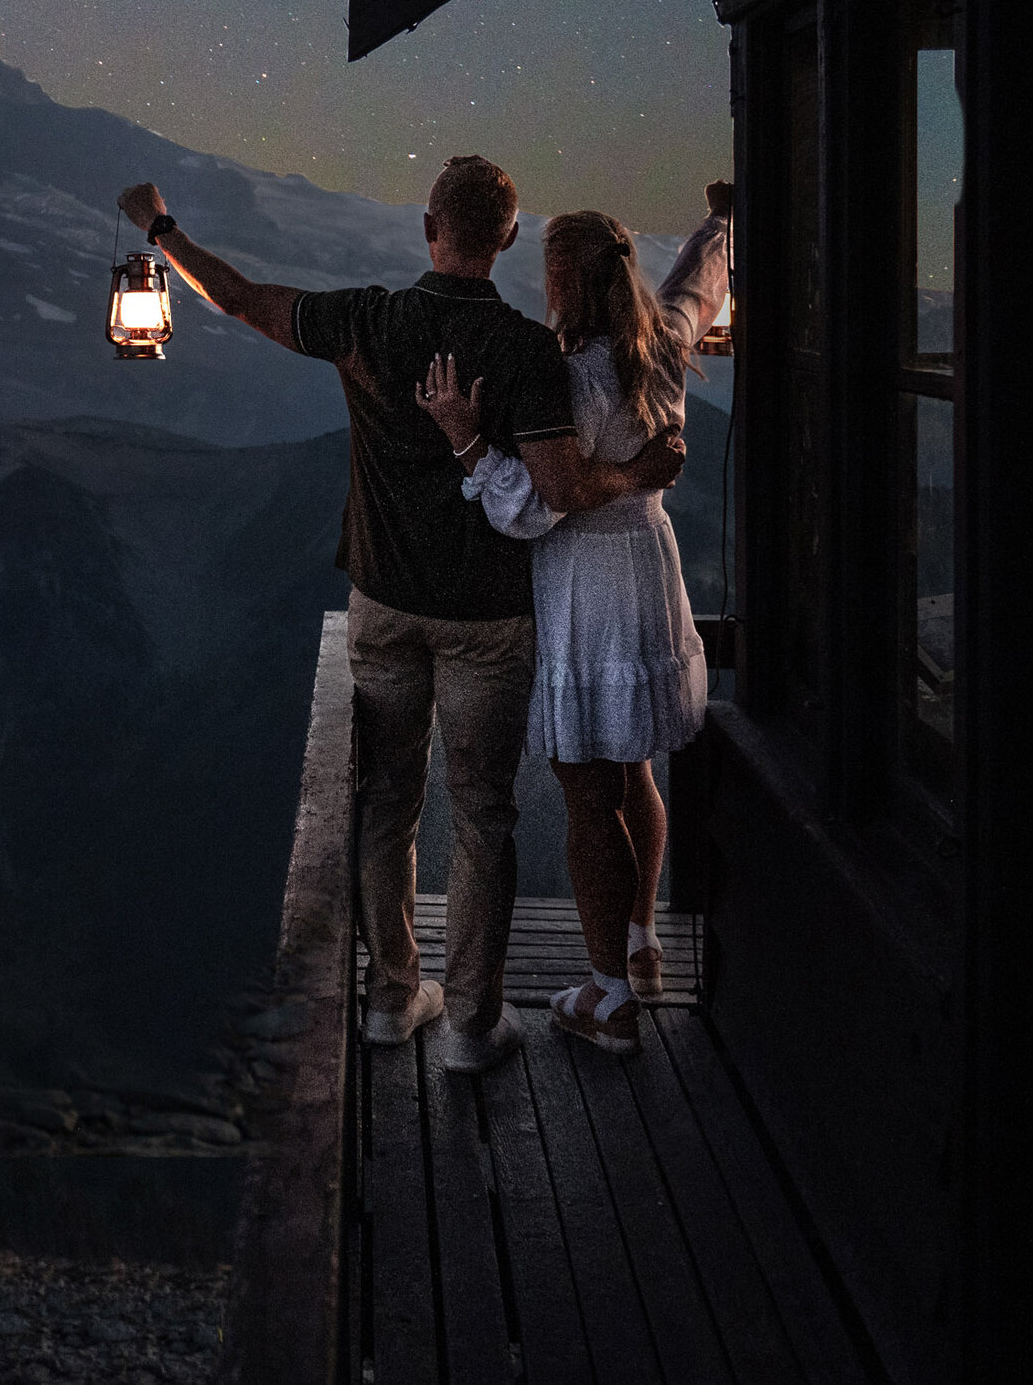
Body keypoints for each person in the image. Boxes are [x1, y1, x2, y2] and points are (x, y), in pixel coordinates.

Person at [115, 159, 684, 1071]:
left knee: (388, 805)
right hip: (488, 621)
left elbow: (245, 302)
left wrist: (162, 232)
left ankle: (391, 1000)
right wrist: (639, 472)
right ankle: (469, 1024)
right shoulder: (525, 352)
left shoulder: (368, 319)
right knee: (484, 817)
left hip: (382, 603)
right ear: (503, 239)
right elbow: (564, 488)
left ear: (430, 227)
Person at [414, 181, 732, 1058]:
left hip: (588, 582)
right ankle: (640, 945)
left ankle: (610, 998)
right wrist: (724, 219)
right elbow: (699, 283)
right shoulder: (662, 343)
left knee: (588, 792)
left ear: (563, 279)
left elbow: (532, 508)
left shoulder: (573, 375)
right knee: (634, 771)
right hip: (649, 567)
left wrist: (467, 441)